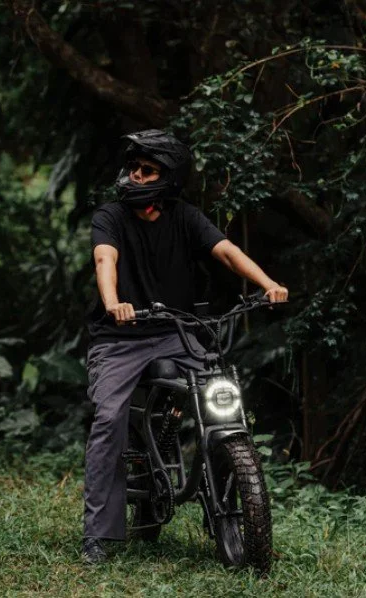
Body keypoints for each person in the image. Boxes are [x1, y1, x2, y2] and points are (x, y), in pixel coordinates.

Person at [82, 129, 288, 565]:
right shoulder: (111, 216)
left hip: (176, 332)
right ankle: (98, 535)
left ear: (168, 179)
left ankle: (220, 482)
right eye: (133, 168)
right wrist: (113, 303)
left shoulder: (186, 217)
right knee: (109, 418)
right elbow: (106, 260)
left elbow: (227, 252)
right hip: (120, 337)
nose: (135, 176)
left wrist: (268, 284)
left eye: (147, 170)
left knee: (218, 393)